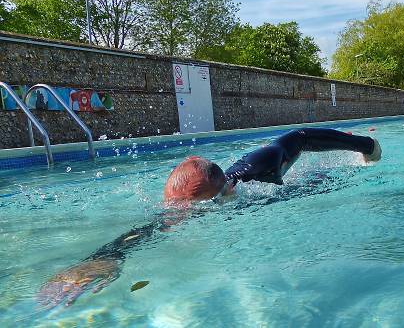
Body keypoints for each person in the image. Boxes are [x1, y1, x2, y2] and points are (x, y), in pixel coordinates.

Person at [37, 128, 382, 308]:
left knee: (317, 185)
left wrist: (366, 147)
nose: (182, 218)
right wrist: (103, 258)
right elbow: (152, 229)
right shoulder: (182, 206)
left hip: (274, 189)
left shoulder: (261, 167)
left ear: (228, 192)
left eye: (191, 211)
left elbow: (301, 137)